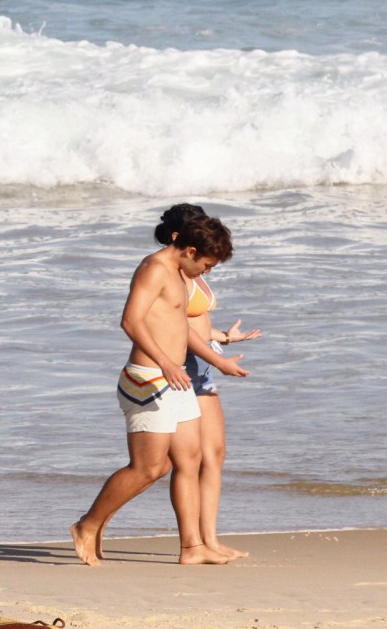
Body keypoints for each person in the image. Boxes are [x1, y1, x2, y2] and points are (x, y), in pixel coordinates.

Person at [71, 211, 243, 566]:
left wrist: (219, 356)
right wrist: (165, 361)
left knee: (188, 460)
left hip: (176, 378)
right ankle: (87, 525)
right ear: (191, 250)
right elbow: (130, 320)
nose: (207, 273)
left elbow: (181, 328)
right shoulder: (154, 269)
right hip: (149, 378)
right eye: (207, 265)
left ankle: (192, 548)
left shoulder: (179, 273)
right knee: (148, 468)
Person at [173, 204, 262, 560]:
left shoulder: (195, 273)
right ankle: (191, 544)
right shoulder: (172, 272)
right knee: (189, 460)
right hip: (185, 367)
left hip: (204, 365)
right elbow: (179, 329)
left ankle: (210, 539)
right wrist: (219, 360)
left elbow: (199, 324)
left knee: (215, 455)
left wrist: (224, 336)